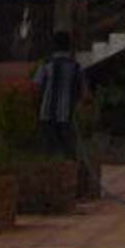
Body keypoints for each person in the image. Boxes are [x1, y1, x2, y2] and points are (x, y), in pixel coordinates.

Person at [32, 30, 91, 165]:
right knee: (68, 149)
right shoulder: (75, 66)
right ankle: (71, 169)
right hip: (67, 114)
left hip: (47, 113)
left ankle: (51, 170)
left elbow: (36, 87)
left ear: (53, 45)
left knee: (48, 149)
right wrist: (81, 105)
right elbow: (85, 91)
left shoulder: (46, 64)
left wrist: (36, 105)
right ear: (68, 46)